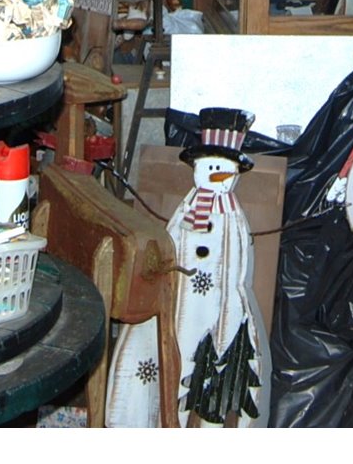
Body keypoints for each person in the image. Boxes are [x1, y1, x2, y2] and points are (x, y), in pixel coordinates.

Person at [106, 107, 269, 427]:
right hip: (178, 301)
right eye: (210, 166)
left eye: (222, 168)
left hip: (212, 311)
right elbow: (171, 244)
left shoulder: (233, 217)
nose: (216, 173)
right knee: (159, 362)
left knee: (200, 372)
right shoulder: (187, 209)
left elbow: (234, 267)